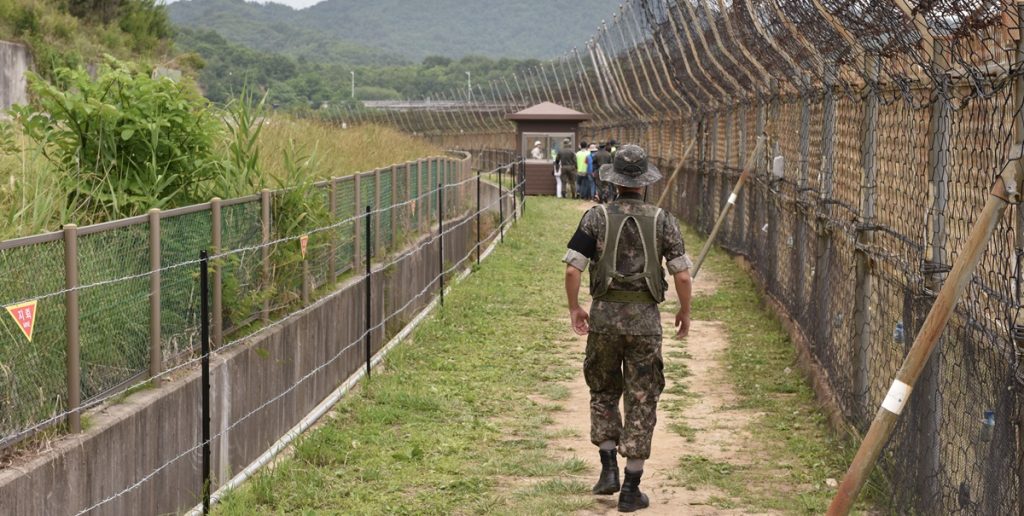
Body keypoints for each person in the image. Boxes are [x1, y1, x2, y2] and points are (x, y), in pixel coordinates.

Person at [562, 144, 692, 513]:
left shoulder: (596, 217)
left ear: (614, 181)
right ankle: (632, 488)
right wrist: (685, 311)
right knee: (641, 396)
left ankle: (607, 470)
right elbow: (681, 274)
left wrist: (575, 308)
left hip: (603, 317)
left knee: (603, 388)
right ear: (645, 182)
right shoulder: (663, 220)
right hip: (645, 322)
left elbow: (573, 268)